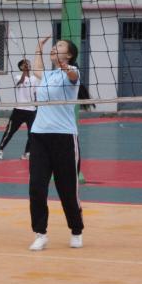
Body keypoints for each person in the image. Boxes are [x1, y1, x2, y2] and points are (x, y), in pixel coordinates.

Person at [27, 36, 88, 251]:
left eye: (60, 45)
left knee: (67, 189)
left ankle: (76, 229)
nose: (55, 47)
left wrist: (66, 67)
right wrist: (38, 50)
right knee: (36, 187)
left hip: (64, 137)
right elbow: (37, 70)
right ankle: (40, 233)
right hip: (39, 136)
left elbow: (72, 75)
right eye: (55, 45)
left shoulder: (72, 73)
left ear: (69, 54)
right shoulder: (48, 75)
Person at [0, 59, 37, 160]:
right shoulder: (17, 77)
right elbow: (21, 82)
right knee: (9, 131)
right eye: (25, 64)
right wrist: (24, 72)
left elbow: (35, 93)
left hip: (31, 111)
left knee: (32, 133)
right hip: (19, 110)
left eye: (28, 63)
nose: (28, 65)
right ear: (21, 67)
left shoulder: (34, 79)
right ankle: (0, 150)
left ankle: (27, 152)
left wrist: (37, 105)